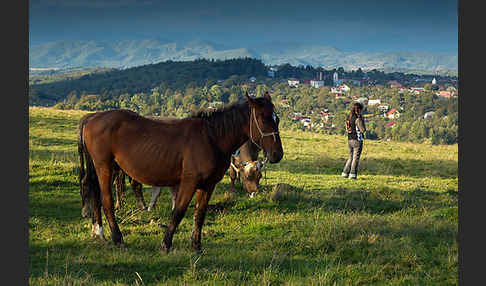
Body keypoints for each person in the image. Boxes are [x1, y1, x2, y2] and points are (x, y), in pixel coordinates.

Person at [341, 102, 366, 179]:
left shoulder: (349, 117)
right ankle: (352, 174)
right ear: (359, 110)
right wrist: (362, 120)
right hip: (357, 140)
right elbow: (363, 130)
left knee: (350, 157)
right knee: (356, 158)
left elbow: (347, 128)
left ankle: (345, 173)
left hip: (349, 139)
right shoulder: (357, 119)